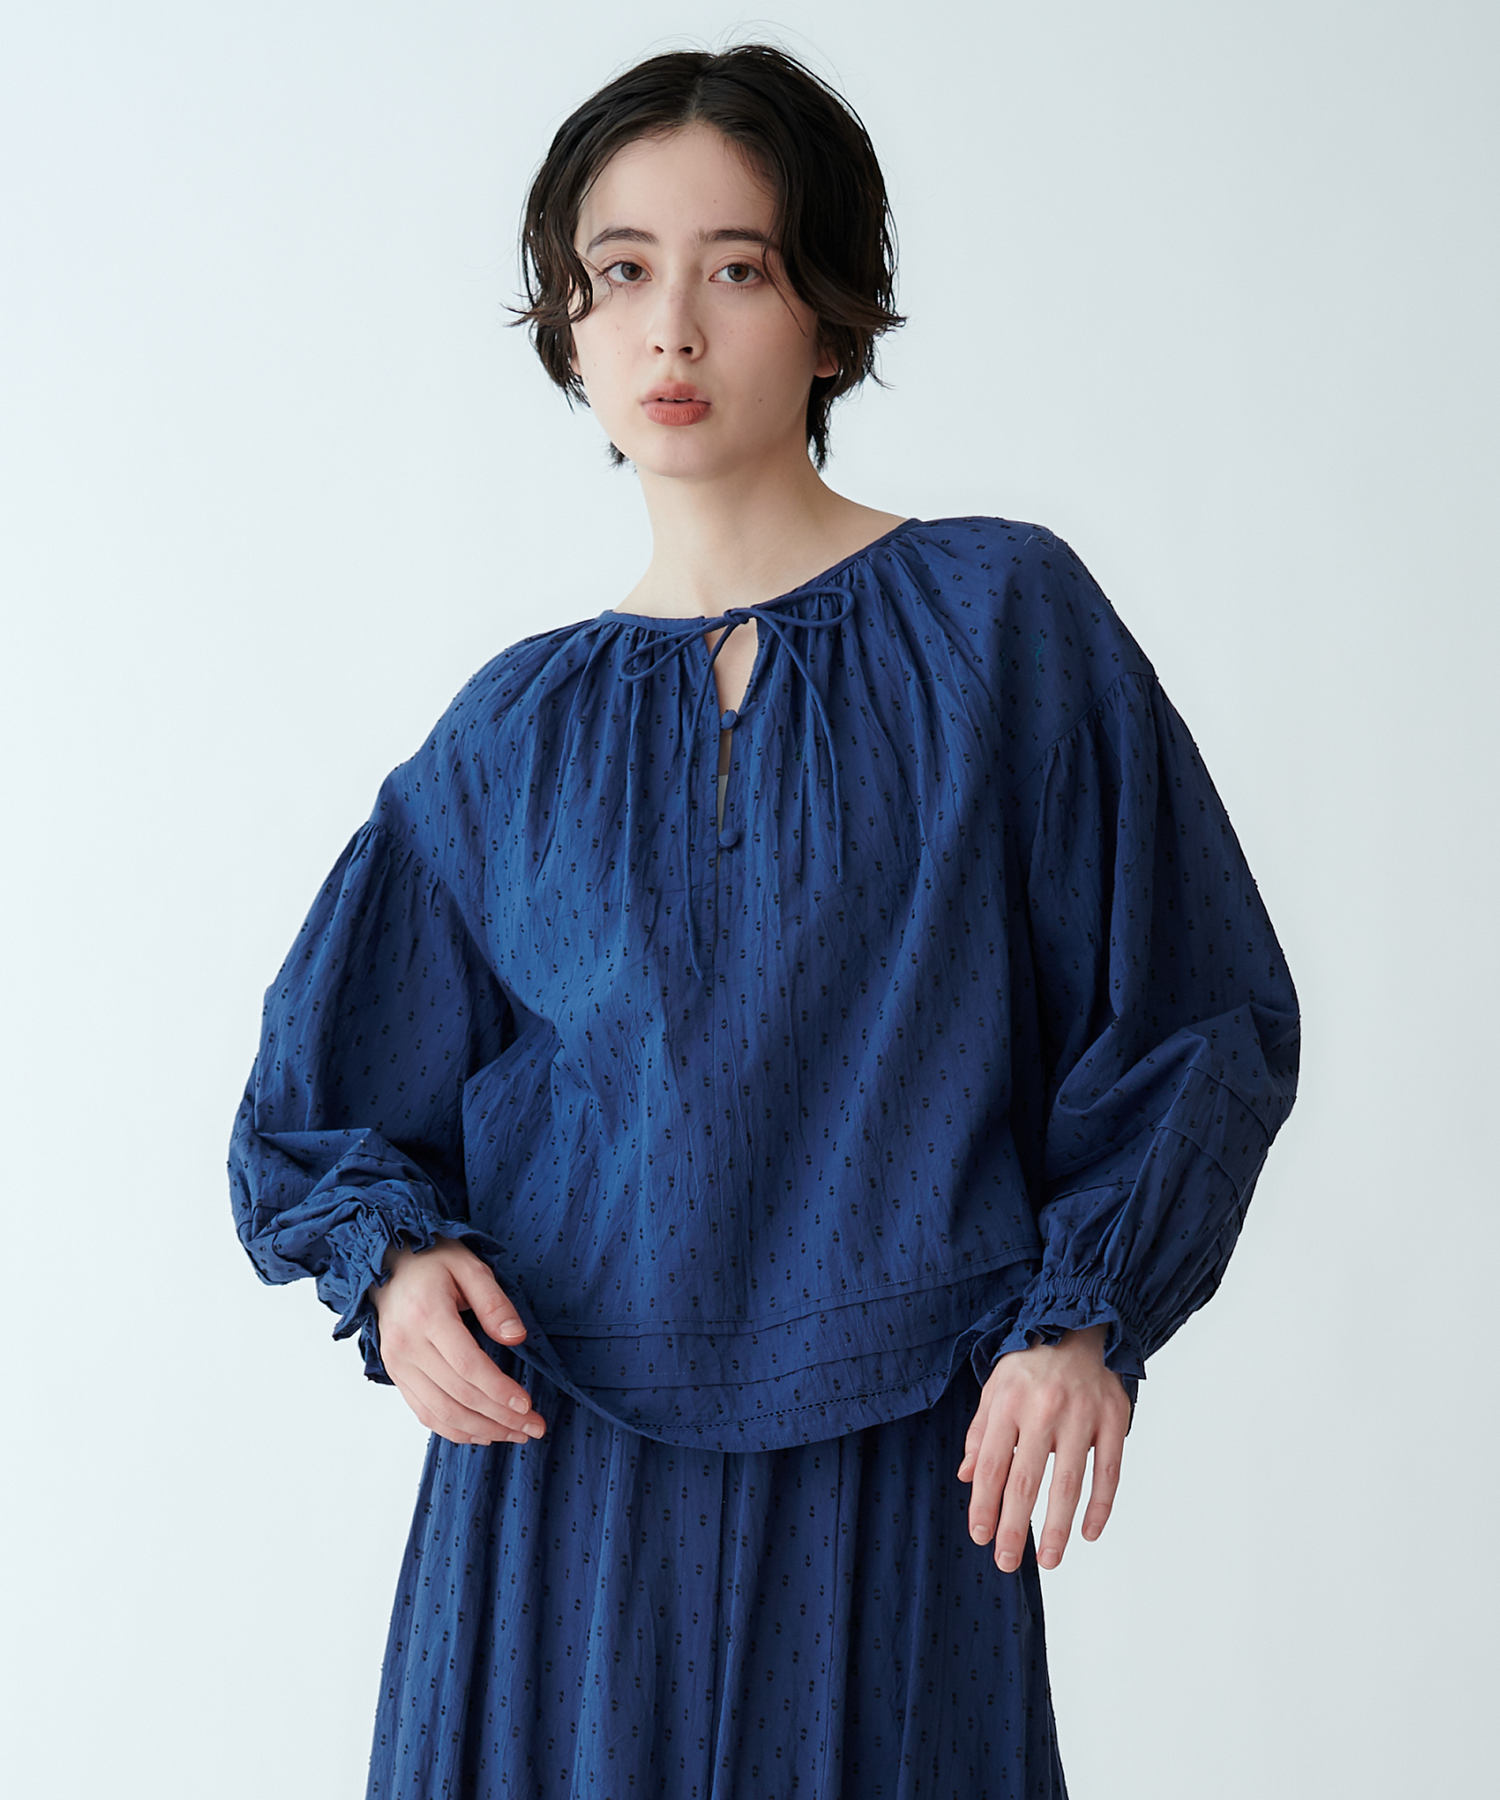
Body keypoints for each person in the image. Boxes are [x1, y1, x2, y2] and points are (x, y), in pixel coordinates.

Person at [229, 41, 1300, 1799]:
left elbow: (1196, 1011)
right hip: (554, 1497)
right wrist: (400, 1272)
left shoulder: (1001, 626)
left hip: (901, 1468)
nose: (672, 328)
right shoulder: (509, 736)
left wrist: (1082, 1316)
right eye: (620, 272)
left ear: (829, 317)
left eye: (735, 267)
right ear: (569, 324)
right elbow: (319, 1105)